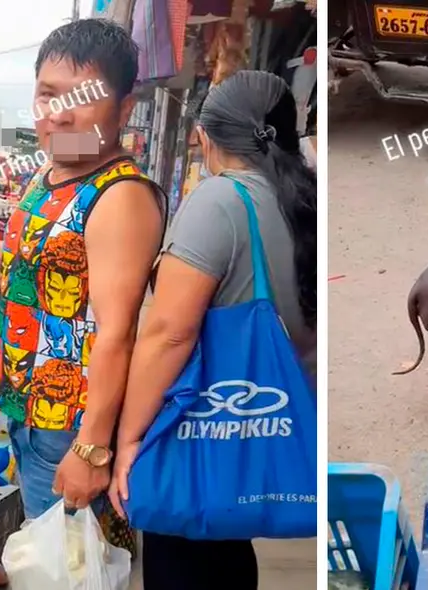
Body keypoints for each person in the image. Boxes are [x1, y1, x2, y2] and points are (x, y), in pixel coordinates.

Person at [0, 19, 166, 555]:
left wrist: (92, 450)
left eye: (83, 98)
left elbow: (117, 333)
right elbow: (59, 261)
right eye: (48, 96)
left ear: (123, 107)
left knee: (71, 565)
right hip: (18, 403)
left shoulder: (120, 197)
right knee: (42, 555)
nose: (60, 115)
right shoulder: (48, 173)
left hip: (66, 427)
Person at [109, 70, 316, 590]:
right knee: (228, 545)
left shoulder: (219, 201)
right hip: (274, 415)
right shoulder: (304, 198)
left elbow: (169, 335)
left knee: (184, 547)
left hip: (205, 420)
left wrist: (129, 440)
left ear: (204, 136)